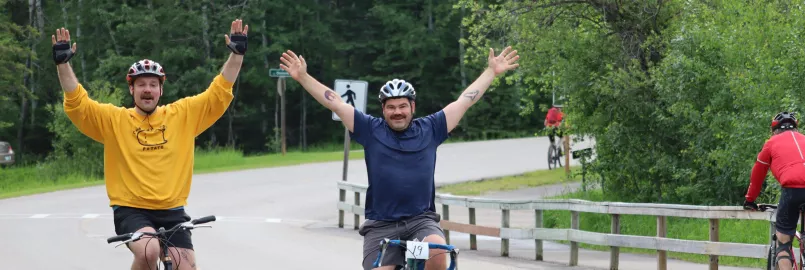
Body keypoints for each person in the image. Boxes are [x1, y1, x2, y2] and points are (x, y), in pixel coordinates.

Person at [278, 46, 519, 270]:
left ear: (412, 106)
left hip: (420, 221)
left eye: (402, 106)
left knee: (436, 252)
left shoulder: (432, 128)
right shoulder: (370, 129)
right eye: (391, 107)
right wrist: (303, 77)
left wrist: (491, 71)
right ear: (383, 109)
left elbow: (465, 100)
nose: (397, 112)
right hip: (382, 224)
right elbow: (337, 103)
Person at [51, 19, 248, 270]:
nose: (148, 89)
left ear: (161, 90)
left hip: (172, 210)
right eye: (141, 84)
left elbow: (219, 92)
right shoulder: (115, 120)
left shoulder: (182, 115)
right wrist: (62, 64)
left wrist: (237, 55)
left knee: (184, 265)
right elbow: (78, 103)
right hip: (131, 210)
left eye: (153, 84)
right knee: (148, 250)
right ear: (131, 89)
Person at [743, 111, 805, 270]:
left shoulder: (771, 143)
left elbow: (757, 175)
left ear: (775, 130)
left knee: (783, 242)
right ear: (795, 128)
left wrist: (750, 200)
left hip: (793, 190)